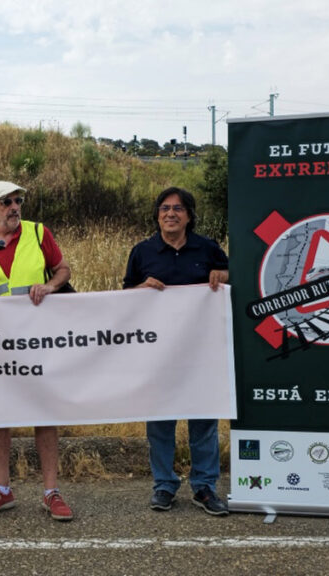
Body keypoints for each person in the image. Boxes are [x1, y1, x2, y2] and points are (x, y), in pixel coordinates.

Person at [0, 181, 74, 522]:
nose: (14, 206)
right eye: (6, 202)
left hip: (37, 341)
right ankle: (2, 489)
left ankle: (51, 492)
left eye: (18, 200)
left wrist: (50, 285)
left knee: (44, 412)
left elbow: (63, 269)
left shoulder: (38, 233)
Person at [123, 186, 230, 516]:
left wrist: (225, 275)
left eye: (178, 209)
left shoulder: (208, 248)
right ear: (157, 215)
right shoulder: (143, 252)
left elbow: (234, 282)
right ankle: (164, 486)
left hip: (202, 353)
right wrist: (141, 289)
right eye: (164, 208)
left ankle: (204, 487)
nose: (170, 213)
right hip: (158, 356)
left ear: (189, 215)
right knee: (160, 424)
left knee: (203, 423)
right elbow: (124, 298)